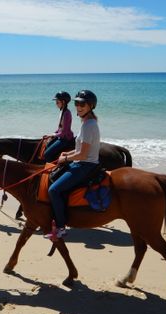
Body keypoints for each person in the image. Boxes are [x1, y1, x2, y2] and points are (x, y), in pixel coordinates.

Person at [46, 90, 100, 239]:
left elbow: (83, 155)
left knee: (53, 190)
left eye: (82, 104)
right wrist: (66, 154)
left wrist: (66, 159)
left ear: (91, 106)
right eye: (77, 103)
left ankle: (61, 227)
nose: (79, 106)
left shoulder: (88, 125)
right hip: (81, 162)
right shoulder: (86, 123)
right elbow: (79, 150)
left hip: (84, 165)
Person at [43, 91, 74, 162]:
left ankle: (53, 169)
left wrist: (53, 134)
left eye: (57, 102)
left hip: (65, 139)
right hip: (61, 137)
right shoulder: (62, 111)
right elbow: (60, 128)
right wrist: (52, 134)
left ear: (63, 102)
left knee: (46, 154)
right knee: (48, 145)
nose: (56, 104)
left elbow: (63, 133)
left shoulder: (66, 114)